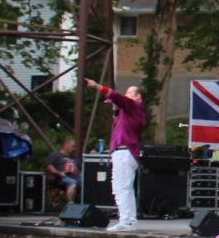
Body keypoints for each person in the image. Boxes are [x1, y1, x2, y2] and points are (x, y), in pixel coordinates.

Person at [84, 78, 147, 230]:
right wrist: (115, 109)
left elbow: (116, 96)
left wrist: (96, 86)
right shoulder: (129, 112)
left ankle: (127, 221)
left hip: (125, 152)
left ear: (138, 96)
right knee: (123, 187)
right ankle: (129, 220)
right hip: (123, 152)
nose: (126, 95)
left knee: (122, 187)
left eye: (129, 93)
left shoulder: (134, 106)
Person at [43, 138, 81, 205]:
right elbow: (49, 167)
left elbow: (81, 168)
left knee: (87, 183)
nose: (74, 149)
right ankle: (71, 204)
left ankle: (86, 203)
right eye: (73, 146)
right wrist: (59, 173)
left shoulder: (74, 157)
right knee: (72, 182)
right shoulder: (55, 155)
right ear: (66, 145)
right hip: (61, 178)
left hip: (76, 177)